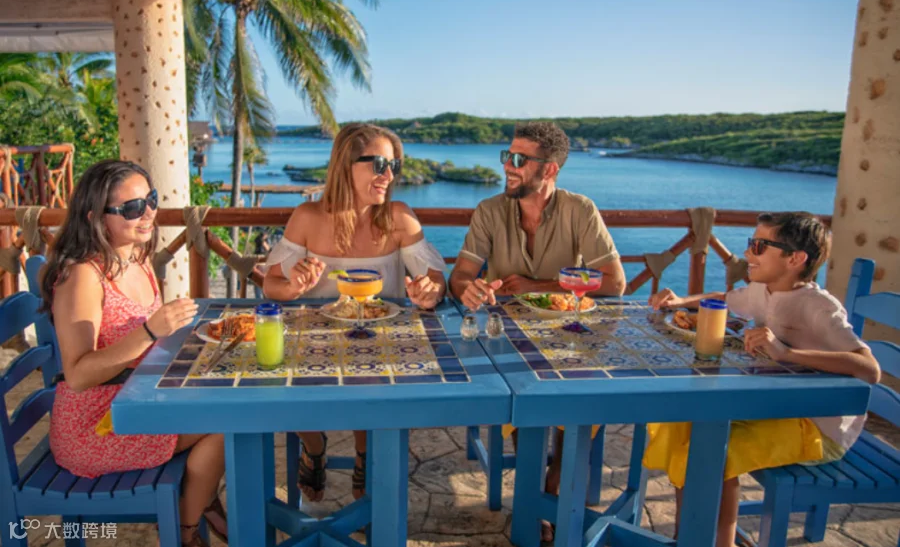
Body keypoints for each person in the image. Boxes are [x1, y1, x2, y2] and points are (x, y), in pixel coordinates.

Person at [644, 212, 881, 547]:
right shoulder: (761, 290)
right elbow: (724, 299)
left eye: (759, 246)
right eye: (750, 243)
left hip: (817, 427)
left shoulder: (818, 307)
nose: (748, 253)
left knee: (708, 453)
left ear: (795, 259)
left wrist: (788, 353)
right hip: (777, 408)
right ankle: (690, 535)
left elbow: (869, 368)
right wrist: (682, 301)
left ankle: (718, 542)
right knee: (683, 424)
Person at [449, 120, 627, 542]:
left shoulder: (580, 210)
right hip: (508, 337)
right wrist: (469, 288)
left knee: (578, 396)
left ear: (549, 169)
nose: (508, 166)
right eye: (506, 156)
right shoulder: (490, 210)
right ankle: (537, 489)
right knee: (520, 395)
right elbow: (459, 276)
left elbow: (614, 283)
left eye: (519, 159)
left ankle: (553, 483)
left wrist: (539, 286)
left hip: (573, 334)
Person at [41, 160, 227, 547]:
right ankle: (186, 526)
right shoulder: (83, 276)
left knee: (228, 406)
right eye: (132, 208)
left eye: (151, 200)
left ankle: (200, 502)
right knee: (228, 420)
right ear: (96, 217)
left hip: (139, 400)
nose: (148, 213)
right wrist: (150, 331)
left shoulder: (136, 257)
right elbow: (77, 374)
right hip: (97, 425)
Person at [263, 123, 447, 502]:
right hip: (316, 340)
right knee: (272, 382)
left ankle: (365, 454)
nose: (388, 175)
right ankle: (314, 445)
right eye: (378, 164)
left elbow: (435, 280)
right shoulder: (308, 217)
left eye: (393, 165)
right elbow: (272, 286)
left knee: (372, 381)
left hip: (380, 342)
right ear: (345, 164)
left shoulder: (398, 217)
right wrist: (294, 287)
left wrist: (429, 292)